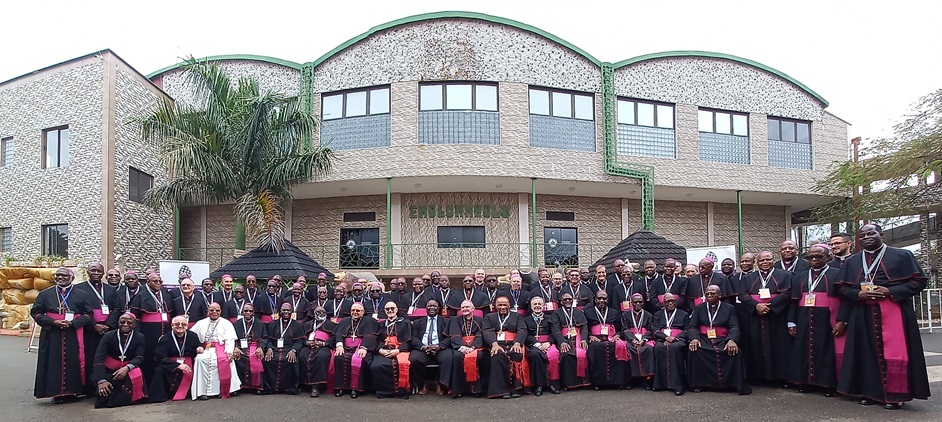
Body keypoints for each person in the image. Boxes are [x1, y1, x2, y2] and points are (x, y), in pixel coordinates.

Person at [836, 224, 930, 410]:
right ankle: (868, 392)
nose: (866, 237)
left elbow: (919, 281)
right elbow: (841, 288)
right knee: (863, 352)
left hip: (893, 310)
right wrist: (858, 295)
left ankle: (895, 394)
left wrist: (891, 290)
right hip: (862, 312)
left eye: (871, 233)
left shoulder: (902, 255)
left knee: (895, 352)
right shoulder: (852, 262)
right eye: (862, 235)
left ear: (881, 234)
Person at [787, 244, 847, 396]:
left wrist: (842, 320)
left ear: (827, 257)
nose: (813, 259)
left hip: (827, 317)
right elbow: (793, 301)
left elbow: (845, 300)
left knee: (827, 350)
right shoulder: (800, 276)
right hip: (804, 317)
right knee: (805, 350)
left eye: (818, 256)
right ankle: (807, 382)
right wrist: (791, 322)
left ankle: (828, 385)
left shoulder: (837, 274)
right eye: (810, 257)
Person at [32, 267, 94, 402]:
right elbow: (36, 313)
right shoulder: (45, 294)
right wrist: (53, 322)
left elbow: (89, 314)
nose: (60, 278)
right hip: (52, 333)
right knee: (52, 361)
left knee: (74, 361)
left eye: (64, 276)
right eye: (58, 275)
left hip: (74, 332)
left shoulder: (82, 294)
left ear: (71, 278)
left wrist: (73, 324)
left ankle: (72, 392)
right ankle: (55, 392)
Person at [739, 250, 793, 386]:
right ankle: (756, 376)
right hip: (755, 317)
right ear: (757, 263)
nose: (764, 262)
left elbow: (787, 293)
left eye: (767, 259)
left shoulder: (785, 275)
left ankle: (780, 377)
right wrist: (756, 306)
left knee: (778, 346)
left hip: (776, 317)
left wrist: (770, 306)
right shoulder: (748, 278)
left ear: (773, 260)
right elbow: (742, 294)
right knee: (754, 345)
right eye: (761, 260)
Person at [687, 285, 750, 395]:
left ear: (719, 295)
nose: (709, 296)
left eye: (713, 293)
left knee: (735, 352)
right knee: (695, 350)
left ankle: (733, 384)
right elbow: (692, 326)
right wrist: (694, 338)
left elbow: (734, 327)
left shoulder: (729, 308)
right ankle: (699, 384)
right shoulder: (699, 308)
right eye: (707, 294)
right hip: (704, 338)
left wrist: (732, 340)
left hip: (722, 338)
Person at [74, 262, 121, 396]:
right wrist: (94, 324)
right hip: (90, 329)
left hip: (108, 329)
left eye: (99, 271)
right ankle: (89, 387)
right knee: (90, 357)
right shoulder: (79, 289)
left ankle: (107, 384)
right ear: (87, 272)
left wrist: (108, 325)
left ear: (103, 273)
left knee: (107, 357)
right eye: (93, 270)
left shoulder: (111, 290)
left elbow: (117, 309)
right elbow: (80, 311)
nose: (96, 273)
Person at [93, 313, 148, 407]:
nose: (125, 324)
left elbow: (139, 357)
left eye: (129, 323)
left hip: (128, 371)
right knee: (103, 399)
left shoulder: (139, 337)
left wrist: (127, 368)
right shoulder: (108, 336)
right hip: (109, 372)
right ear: (118, 323)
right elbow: (99, 359)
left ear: (134, 325)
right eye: (122, 322)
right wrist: (101, 380)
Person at [129, 271, 175, 382]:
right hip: (149, 332)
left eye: (160, 281)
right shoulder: (140, 295)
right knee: (150, 356)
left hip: (166, 330)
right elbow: (135, 317)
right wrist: (138, 333)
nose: (158, 283)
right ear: (148, 282)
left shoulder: (166, 295)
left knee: (165, 355)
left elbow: (171, 313)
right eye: (155, 281)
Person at [190, 302, 241, 400]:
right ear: (208, 311)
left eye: (217, 310)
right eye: (212, 310)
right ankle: (202, 391)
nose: (214, 312)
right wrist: (197, 347)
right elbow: (191, 336)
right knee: (200, 360)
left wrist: (229, 351)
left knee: (225, 359)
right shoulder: (201, 323)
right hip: (206, 348)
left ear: (220, 311)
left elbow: (230, 339)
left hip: (222, 348)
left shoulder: (226, 323)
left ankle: (222, 390)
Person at [482, 296, 527, 399]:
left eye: (505, 304)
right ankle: (502, 391)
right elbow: (487, 331)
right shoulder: (489, 317)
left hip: (513, 343)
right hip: (497, 344)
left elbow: (522, 330)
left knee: (516, 354)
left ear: (509, 305)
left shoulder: (517, 316)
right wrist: (494, 344)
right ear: (495, 306)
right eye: (500, 305)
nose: (502, 307)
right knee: (497, 356)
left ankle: (515, 388)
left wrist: (517, 343)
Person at [149, 315, 202, 402]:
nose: (180, 326)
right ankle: (161, 396)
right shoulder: (165, 338)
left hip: (189, 362)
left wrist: (199, 348)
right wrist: (177, 365)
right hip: (170, 364)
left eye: (183, 324)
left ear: (187, 325)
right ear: (172, 325)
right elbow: (160, 357)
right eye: (177, 324)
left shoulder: (193, 336)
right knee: (159, 370)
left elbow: (198, 345)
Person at [333, 302, 379, 399]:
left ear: (363, 312)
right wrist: (339, 345)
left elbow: (371, 335)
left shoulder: (369, 321)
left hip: (360, 347)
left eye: (358, 310)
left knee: (360, 359)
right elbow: (338, 335)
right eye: (353, 310)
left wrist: (364, 347)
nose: (355, 312)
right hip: (345, 347)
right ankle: (341, 388)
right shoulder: (345, 321)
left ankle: (356, 389)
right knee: (339, 358)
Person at [584, 291, 628, 390]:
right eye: (599, 298)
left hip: (611, 338)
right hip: (596, 339)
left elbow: (620, 328)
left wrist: (617, 335)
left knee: (620, 347)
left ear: (607, 300)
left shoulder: (614, 313)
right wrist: (590, 336)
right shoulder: (588, 312)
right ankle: (597, 383)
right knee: (595, 348)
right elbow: (585, 328)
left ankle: (619, 381)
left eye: (604, 299)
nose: (601, 301)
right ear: (595, 300)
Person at [370, 301, 413, 398]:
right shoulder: (380, 324)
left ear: (397, 310)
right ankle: (383, 391)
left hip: (400, 349)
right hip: (384, 349)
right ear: (384, 311)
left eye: (392, 308)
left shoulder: (405, 322)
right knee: (376, 365)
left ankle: (402, 392)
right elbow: (376, 339)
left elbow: (409, 340)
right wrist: (380, 350)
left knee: (402, 364)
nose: (390, 311)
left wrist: (398, 350)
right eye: (387, 309)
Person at [445, 300, 486, 398]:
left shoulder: (481, 320)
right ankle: (459, 390)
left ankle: (476, 390)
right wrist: (461, 347)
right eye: (463, 307)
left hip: (476, 347)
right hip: (461, 346)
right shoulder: (455, 320)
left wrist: (473, 347)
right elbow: (454, 335)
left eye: (467, 307)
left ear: (473, 309)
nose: (465, 309)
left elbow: (481, 335)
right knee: (457, 357)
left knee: (480, 357)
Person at [409, 299, 451, 395]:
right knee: (414, 359)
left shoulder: (446, 321)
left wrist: (439, 346)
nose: (432, 308)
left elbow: (449, 337)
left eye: (434, 306)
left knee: (448, 357)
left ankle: (440, 384)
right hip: (423, 348)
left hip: (440, 348)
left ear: (439, 308)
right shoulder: (417, 322)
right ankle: (424, 384)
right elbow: (414, 338)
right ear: (426, 308)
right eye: (429, 306)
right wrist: (422, 347)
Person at [263, 302, 305, 395]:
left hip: (289, 349)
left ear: (291, 312)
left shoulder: (297, 325)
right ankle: (270, 388)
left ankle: (290, 388)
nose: (286, 312)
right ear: (280, 311)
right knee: (268, 360)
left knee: (291, 360)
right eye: (284, 310)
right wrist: (269, 348)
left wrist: (294, 350)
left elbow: (299, 341)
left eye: (288, 310)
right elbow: (269, 339)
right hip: (274, 349)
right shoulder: (273, 324)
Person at [651, 293, 688, 395]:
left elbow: (687, 330)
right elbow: (654, 329)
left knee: (675, 348)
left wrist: (675, 339)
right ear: (663, 303)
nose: (671, 303)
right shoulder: (658, 314)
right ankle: (660, 384)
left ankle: (678, 385)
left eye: (673, 301)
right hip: (663, 339)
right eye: (668, 301)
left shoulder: (684, 314)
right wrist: (665, 338)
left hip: (678, 340)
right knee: (658, 348)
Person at [551, 292, 590, 390]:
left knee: (585, 352)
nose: (568, 301)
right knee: (566, 355)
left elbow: (584, 327)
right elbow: (555, 330)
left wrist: (584, 339)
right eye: (565, 300)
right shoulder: (556, 313)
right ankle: (568, 384)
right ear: (561, 302)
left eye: (569, 299)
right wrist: (562, 342)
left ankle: (583, 382)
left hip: (578, 339)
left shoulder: (578, 312)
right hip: (564, 340)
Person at [522, 296, 560, 396]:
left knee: (554, 354)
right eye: (535, 304)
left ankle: (553, 384)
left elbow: (554, 332)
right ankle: (538, 385)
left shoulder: (549, 318)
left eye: (539, 304)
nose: (537, 306)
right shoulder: (525, 319)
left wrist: (549, 342)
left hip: (548, 343)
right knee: (535, 355)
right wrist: (537, 344)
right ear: (531, 306)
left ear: (543, 306)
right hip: (534, 344)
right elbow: (525, 334)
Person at [299, 306, 336, 397]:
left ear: (326, 314)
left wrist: (324, 344)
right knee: (301, 356)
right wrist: (306, 342)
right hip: (309, 345)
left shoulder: (332, 325)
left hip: (323, 346)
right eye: (318, 312)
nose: (320, 314)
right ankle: (304, 384)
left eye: (322, 312)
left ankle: (316, 386)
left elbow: (334, 337)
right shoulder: (307, 324)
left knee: (321, 357)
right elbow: (301, 337)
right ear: (314, 314)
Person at [621, 293, 655, 389]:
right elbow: (625, 329)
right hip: (631, 339)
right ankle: (631, 380)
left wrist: (644, 339)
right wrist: (632, 340)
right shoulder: (625, 315)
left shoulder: (648, 315)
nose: (637, 304)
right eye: (635, 302)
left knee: (648, 349)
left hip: (645, 338)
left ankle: (646, 380)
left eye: (640, 302)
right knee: (628, 349)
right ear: (631, 303)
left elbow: (650, 329)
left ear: (643, 303)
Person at [233, 303, 267, 394]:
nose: (248, 313)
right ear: (242, 312)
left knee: (257, 356)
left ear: (254, 313)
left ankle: (257, 386)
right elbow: (232, 338)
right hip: (240, 347)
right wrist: (235, 347)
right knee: (237, 358)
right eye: (245, 311)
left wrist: (260, 348)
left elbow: (264, 338)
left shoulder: (260, 324)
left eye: (250, 311)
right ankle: (238, 386)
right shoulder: (236, 324)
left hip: (255, 346)